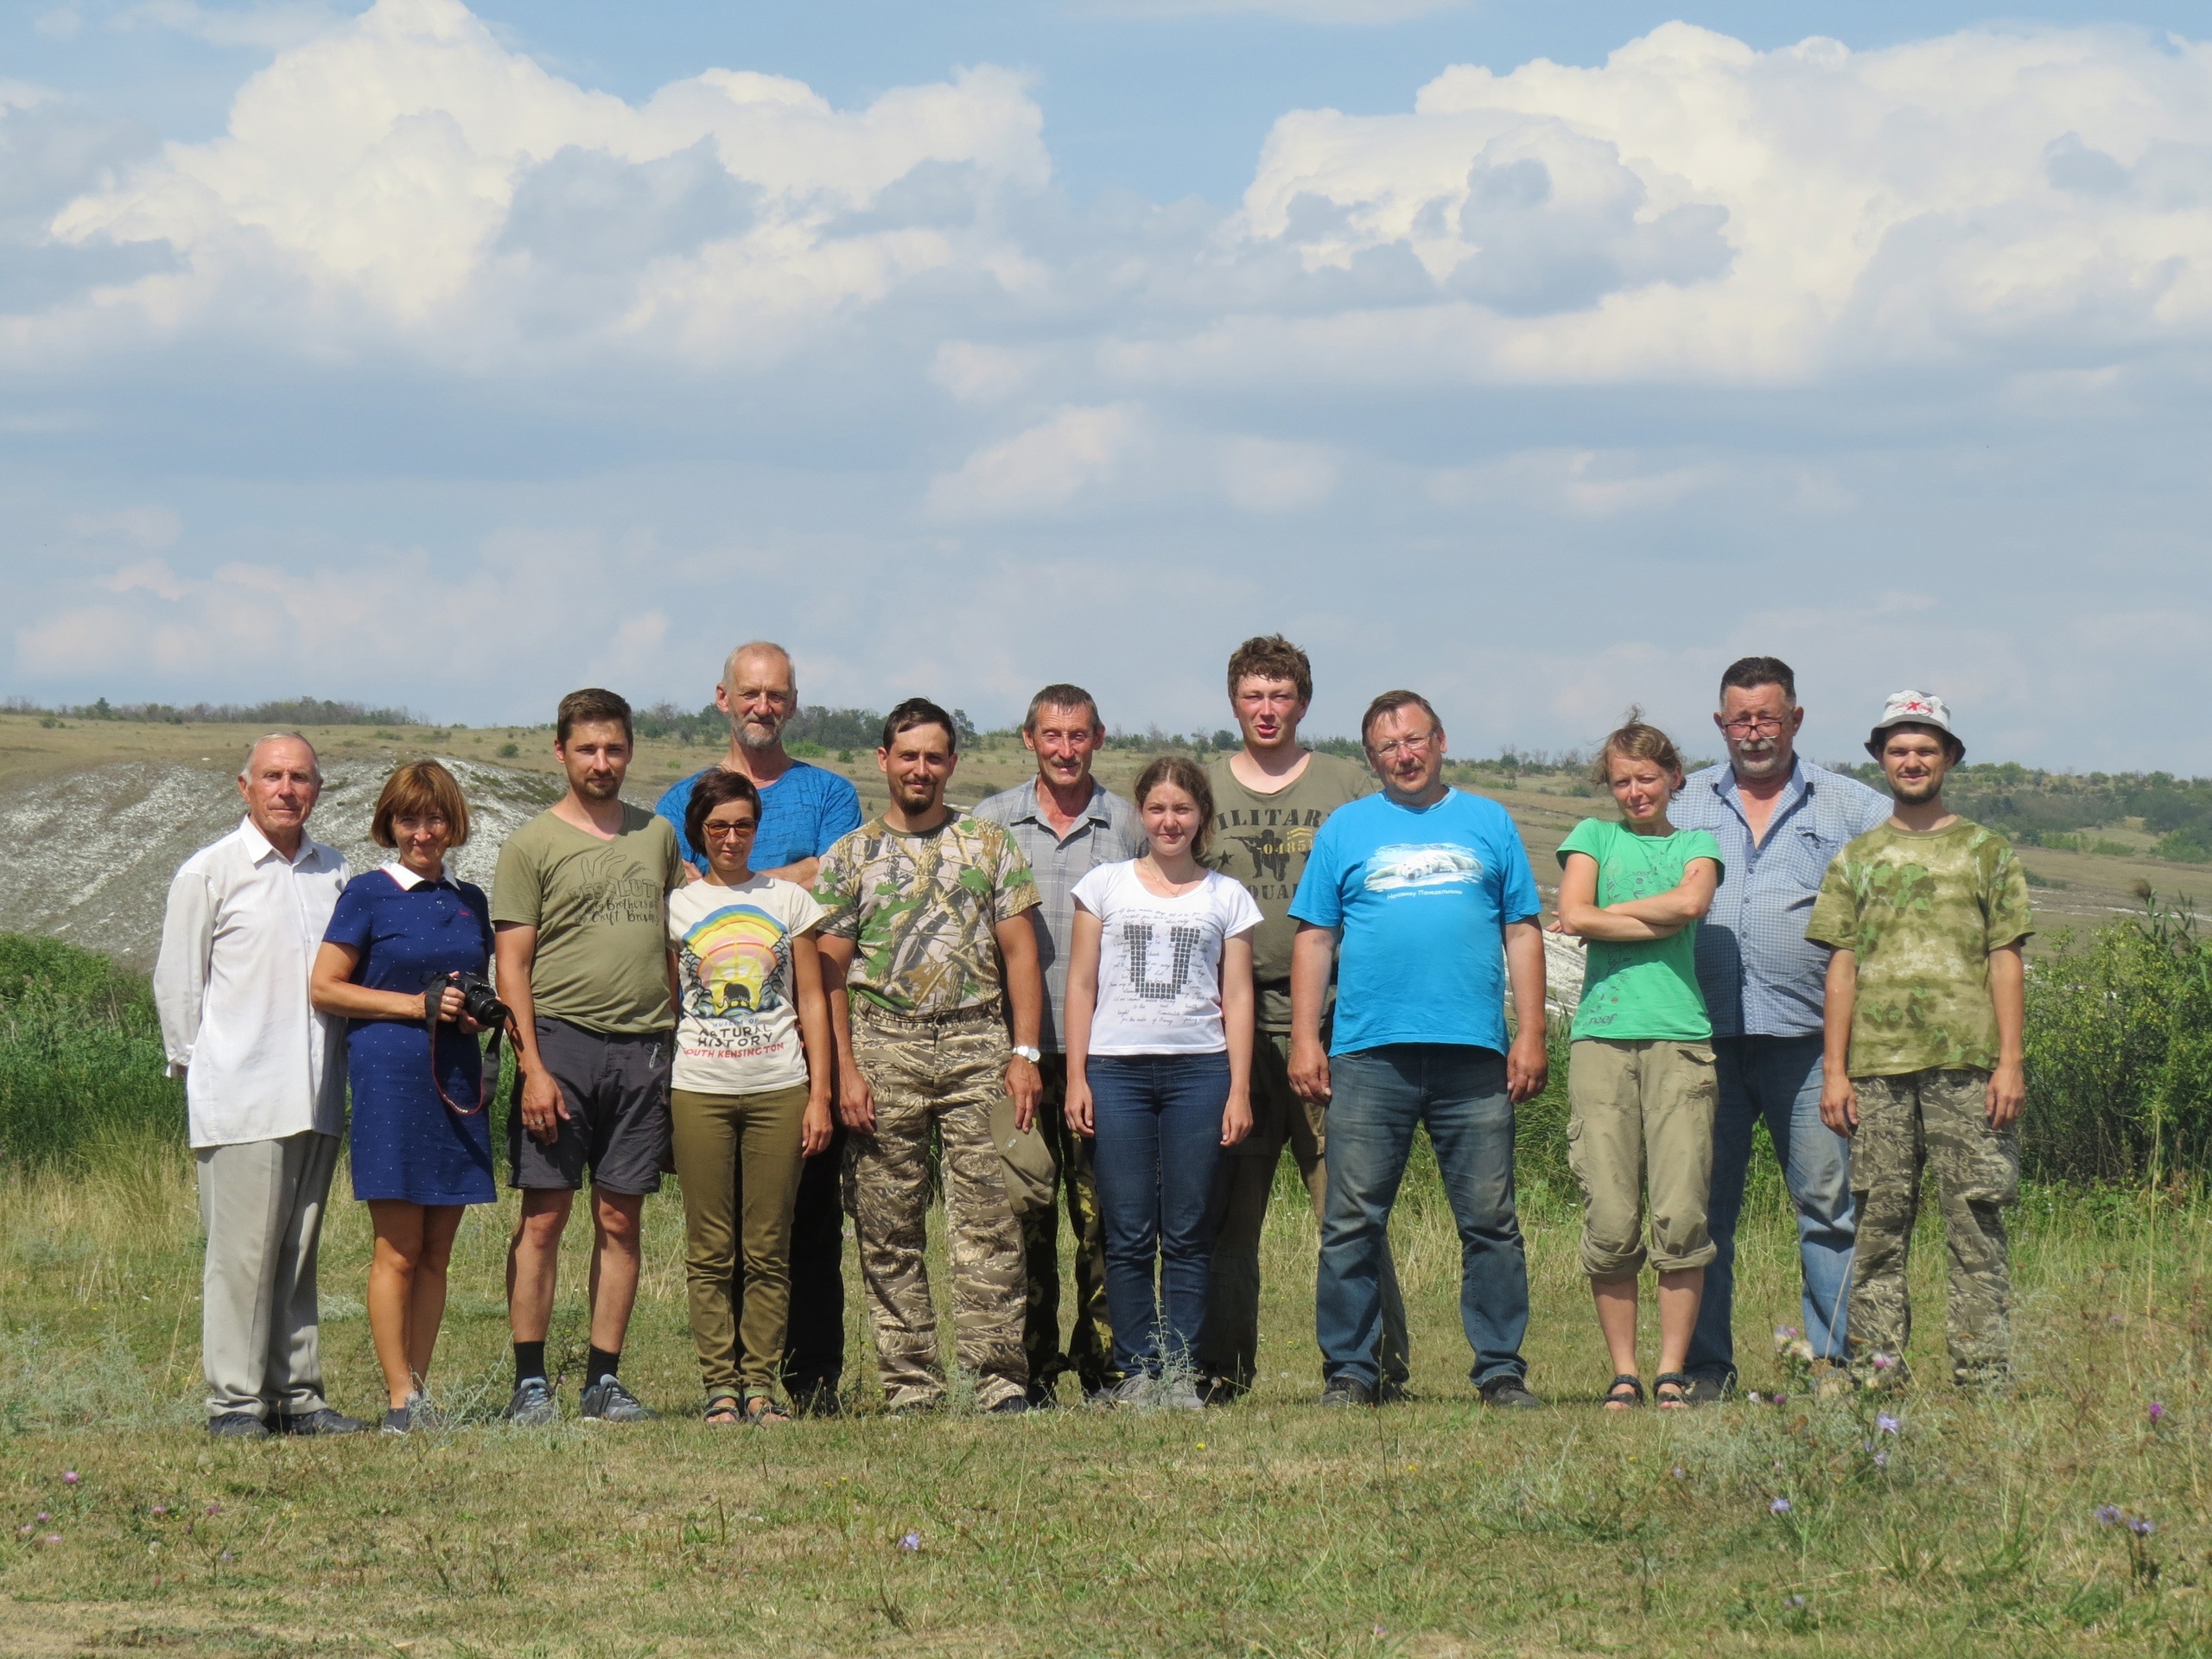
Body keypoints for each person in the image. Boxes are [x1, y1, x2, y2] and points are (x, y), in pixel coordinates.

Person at [1288, 690, 1548, 1408]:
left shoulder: (1489, 821)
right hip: (1370, 1055)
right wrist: (1307, 1039)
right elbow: (1315, 936)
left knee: (1491, 1223)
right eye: (1386, 747)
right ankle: (1350, 1370)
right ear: (1371, 760)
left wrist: (1530, 1032)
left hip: (1474, 1055)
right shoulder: (1346, 829)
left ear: (1440, 740)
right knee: (1351, 1221)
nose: (1403, 756)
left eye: (1414, 740)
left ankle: (1500, 1369)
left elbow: (1523, 931)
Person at [813, 697, 1045, 1415]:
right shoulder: (850, 855)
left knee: (991, 1223)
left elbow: (1021, 954)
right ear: (884, 760)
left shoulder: (989, 845)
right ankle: (911, 1385)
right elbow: (827, 975)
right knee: (887, 1226)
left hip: (979, 1042)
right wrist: (845, 1070)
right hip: (884, 1045)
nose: (921, 769)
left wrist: (1025, 1051)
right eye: (907, 755)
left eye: (934, 756)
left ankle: (997, 1382)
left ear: (952, 763)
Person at [1671, 657, 1891, 1402]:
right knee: (1704, 1212)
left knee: (1827, 1206)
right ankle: (1706, 1368)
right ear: (1720, 724)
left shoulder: (1853, 809)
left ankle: (1835, 1367)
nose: (1755, 732)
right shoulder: (1683, 801)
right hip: (1700, 1041)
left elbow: (1884, 927)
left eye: (1769, 716)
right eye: (1741, 718)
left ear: (1796, 717)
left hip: (1809, 1048)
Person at [655, 640, 864, 1414]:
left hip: (792, 1056)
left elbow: (835, 874)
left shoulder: (830, 791)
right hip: (708, 1068)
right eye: (750, 693)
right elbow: (676, 889)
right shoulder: (678, 797)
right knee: (717, 1244)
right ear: (722, 697)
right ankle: (725, 1385)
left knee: (804, 1230)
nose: (762, 706)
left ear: (794, 702)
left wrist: (759, 887)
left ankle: (807, 1381)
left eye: (777, 695)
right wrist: (789, 873)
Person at [1198, 633, 1406, 1403]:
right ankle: (1220, 1369)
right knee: (1229, 1215)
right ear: (1233, 702)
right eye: (1253, 695)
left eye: (1280, 695)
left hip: (1337, 1022)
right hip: (1231, 1026)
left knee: (1348, 1206)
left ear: (1303, 703)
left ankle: (1375, 1369)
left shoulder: (1350, 785)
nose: (1266, 709)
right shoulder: (1207, 784)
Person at [1808, 692, 2031, 1393]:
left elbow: (2006, 957)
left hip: (1969, 1068)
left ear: (1951, 759)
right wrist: (1835, 1072)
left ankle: (1983, 1372)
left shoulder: (1986, 851)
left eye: (1927, 749)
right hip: (1876, 1071)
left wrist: (2010, 1061)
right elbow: (1840, 965)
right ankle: (1880, 1373)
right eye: (1899, 750)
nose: (1912, 761)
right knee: (1876, 1224)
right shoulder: (1859, 857)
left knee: (1975, 1221)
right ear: (1880, 759)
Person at [155, 734, 365, 1438]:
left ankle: (296, 1395)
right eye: (272, 776)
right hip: (241, 1093)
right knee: (241, 1257)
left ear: (318, 788)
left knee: (297, 1253)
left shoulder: (334, 872)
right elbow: (178, 984)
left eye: (300, 777)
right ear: (244, 787)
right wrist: (199, 1069)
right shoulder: (210, 872)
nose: (286, 789)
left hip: (315, 1092)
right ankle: (236, 1404)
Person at [493, 688, 685, 1424]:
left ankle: (604, 1379)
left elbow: (675, 941)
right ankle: (530, 1382)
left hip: (642, 1049)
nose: (601, 763)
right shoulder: (531, 844)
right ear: (561, 753)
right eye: (586, 750)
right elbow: (512, 966)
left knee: (620, 1218)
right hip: (561, 1045)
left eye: (613, 749)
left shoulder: (658, 836)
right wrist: (533, 1067)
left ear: (630, 751)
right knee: (544, 1216)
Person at [1065, 756, 1260, 1410]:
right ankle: (1136, 1371)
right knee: (1125, 1229)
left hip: (1199, 1072)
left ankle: (1180, 1372)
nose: (1169, 821)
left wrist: (1238, 1088)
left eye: (1182, 809)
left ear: (1201, 814)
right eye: (1157, 808)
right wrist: (1076, 1076)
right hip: (1116, 1070)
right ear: (1139, 814)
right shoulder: (1105, 886)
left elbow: (1237, 996)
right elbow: (1081, 984)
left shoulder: (1226, 896)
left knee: (1186, 1230)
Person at [310, 760, 499, 1433]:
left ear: (454, 825)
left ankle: (421, 1389)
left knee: (438, 1250)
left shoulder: (471, 900)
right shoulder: (367, 893)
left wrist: (473, 1014)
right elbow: (326, 987)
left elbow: (472, 991)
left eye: (436, 818)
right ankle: (398, 1400)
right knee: (397, 1247)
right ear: (389, 824)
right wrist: (413, 1005)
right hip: (390, 1073)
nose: (423, 832)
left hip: (454, 1075)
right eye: (409, 818)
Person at [975, 685, 1145, 1404]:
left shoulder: (1130, 827)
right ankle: (1033, 1371)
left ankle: (1104, 1365)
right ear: (1029, 738)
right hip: (1016, 1053)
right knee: (1024, 1218)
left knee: (1102, 1218)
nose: (1066, 749)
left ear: (1098, 737)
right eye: (1053, 735)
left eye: (1078, 736)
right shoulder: (989, 822)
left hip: (1102, 1054)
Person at [1550, 717, 1724, 1410]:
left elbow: (1693, 901)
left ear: (1674, 777)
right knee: (1612, 1214)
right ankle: (1623, 1371)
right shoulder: (1591, 837)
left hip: (1679, 1037)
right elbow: (1573, 912)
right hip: (1601, 1038)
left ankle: (1670, 1371)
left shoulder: (1698, 842)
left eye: (1647, 778)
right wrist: (1643, 917)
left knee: (1681, 1212)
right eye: (1622, 781)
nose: (1634, 792)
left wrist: (1603, 914)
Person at [667, 769, 835, 1426]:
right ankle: (720, 1387)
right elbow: (667, 1001)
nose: (731, 839)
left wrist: (819, 1093)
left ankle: (760, 1384)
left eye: (742, 826)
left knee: (769, 1246)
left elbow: (813, 999)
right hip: (700, 1087)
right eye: (717, 828)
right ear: (698, 833)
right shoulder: (675, 907)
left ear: (756, 829)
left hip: (778, 1086)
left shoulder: (789, 902)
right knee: (710, 1248)